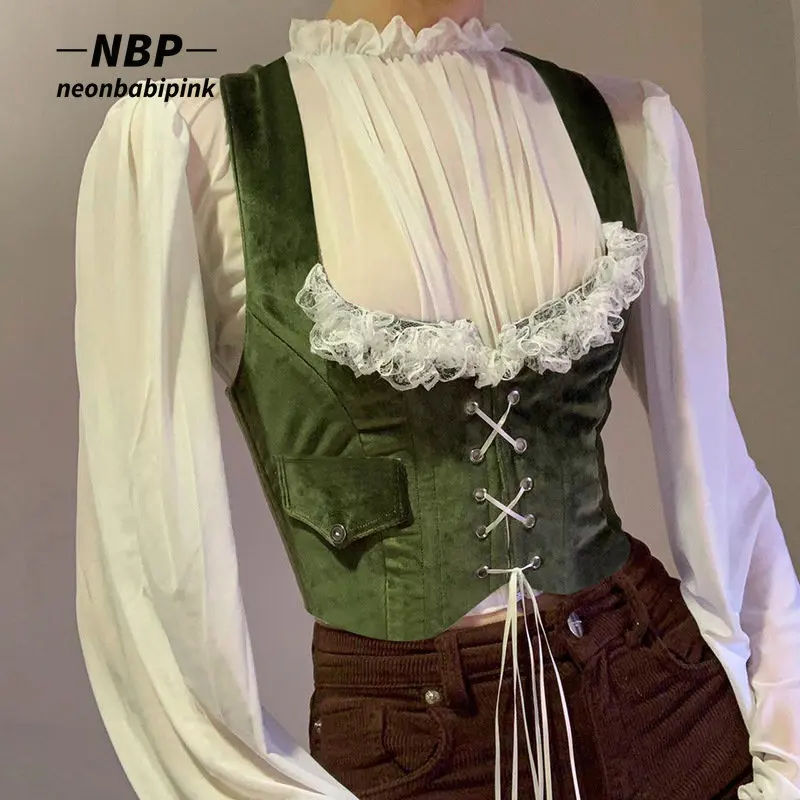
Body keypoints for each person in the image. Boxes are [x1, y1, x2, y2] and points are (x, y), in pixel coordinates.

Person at [74, 1, 800, 798]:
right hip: (415, 743)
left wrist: (786, 747)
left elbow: (718, 476)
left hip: (664, 699)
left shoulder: (624, 126)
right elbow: (146, 560)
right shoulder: (198, 146)